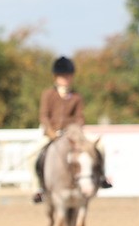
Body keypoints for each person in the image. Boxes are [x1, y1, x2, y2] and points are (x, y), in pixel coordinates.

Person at [32, 56, 111, 203]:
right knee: (32, 154)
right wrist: (51, 133)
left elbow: (80, 118)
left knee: (100, 145)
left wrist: (74, 131)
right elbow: (44, 116)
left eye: (68, 76)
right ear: (56, 77)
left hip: (73, 134)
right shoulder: (48, 94)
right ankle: (39, 188)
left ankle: (102, 177)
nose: (66, 79)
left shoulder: (76, 96)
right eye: (63, 76)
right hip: (52, 134)